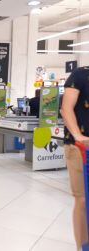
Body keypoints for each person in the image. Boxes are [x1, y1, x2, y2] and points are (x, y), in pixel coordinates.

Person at [60, 66, 89, 250]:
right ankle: (83, 247)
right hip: (81, 148)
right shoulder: (80, 74)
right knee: (83, 199)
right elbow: (66, 108)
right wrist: (78, 135)